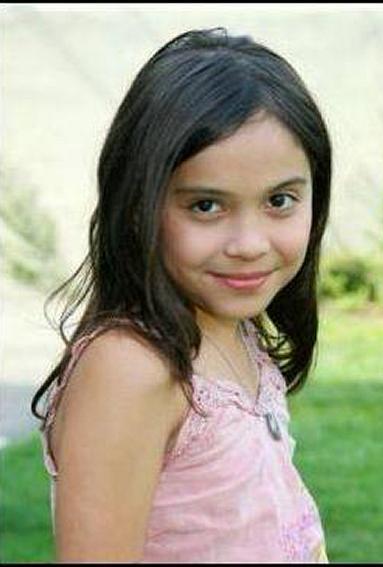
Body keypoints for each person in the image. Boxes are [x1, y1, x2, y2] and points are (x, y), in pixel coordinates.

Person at [31, 27, 331, 563]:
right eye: (206, 206)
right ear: (138, 206)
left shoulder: (234, 331)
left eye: (280, 200)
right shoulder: (130, 367)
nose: (249, 244)